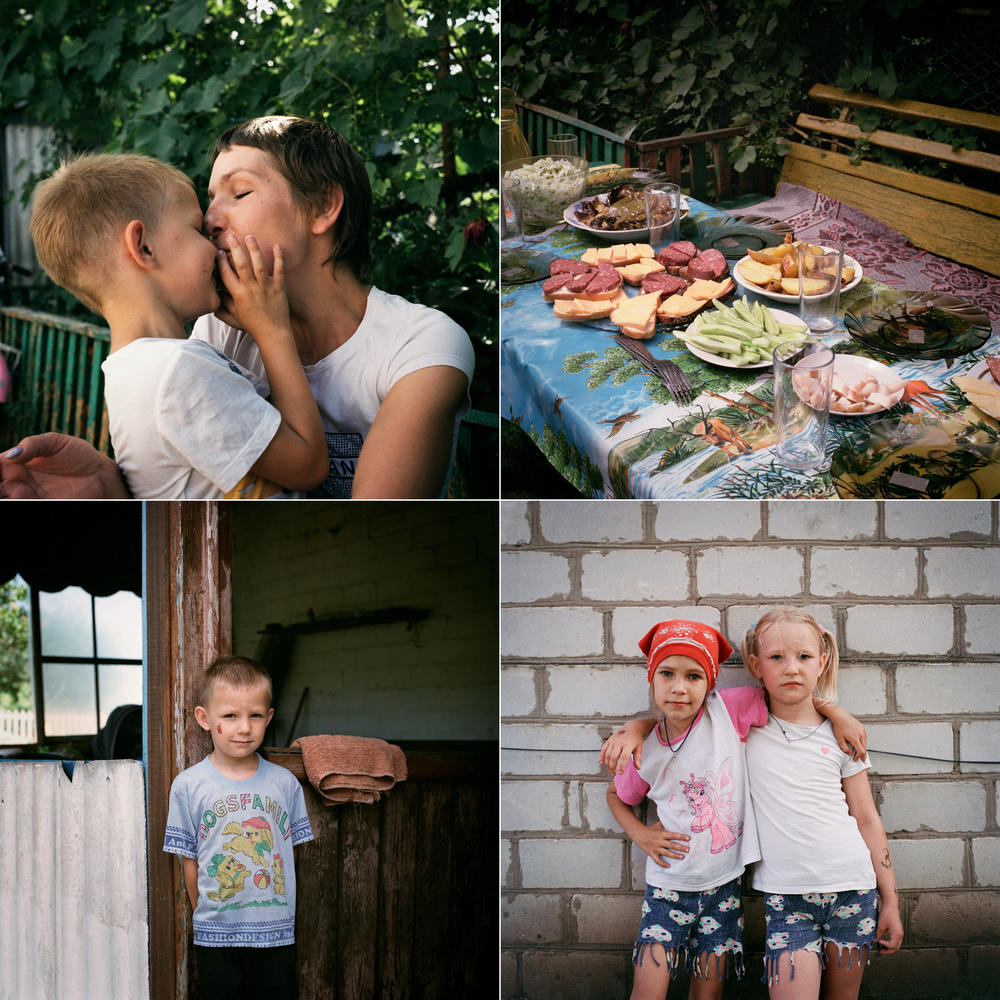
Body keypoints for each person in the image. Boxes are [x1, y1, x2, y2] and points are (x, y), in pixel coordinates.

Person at [0, 115, 476, 499]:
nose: (209, 221)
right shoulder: (218, 332)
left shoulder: (422, 346)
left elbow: (375, 538)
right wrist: (113, 490)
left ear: (322, 209)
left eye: (240, 192)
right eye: (208, 203)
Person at [27, 152, 328, 498]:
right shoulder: (176, 370)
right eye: (197, 229)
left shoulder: (133, 373)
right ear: (143, 247)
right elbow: (309, 467)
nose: (213, 241)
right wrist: (272, 330)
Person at [604, 620, 867, 1000]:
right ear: (652, 679)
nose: (680, 687)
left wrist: (837, 713)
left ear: (710, 684)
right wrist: (639, 832)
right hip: (668, 887)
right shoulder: (645, 752)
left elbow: (792, 692)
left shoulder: (728, 711)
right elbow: (617, 795)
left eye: (694, 676)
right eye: (667, 674)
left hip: (725, 886)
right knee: (647, 990)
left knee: (708, 992)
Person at [740, 608, 902, 997]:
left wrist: (891, 901)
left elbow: (866, 817)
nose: (791, 668)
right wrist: (637, 727)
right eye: (777, 657)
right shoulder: (743, 727)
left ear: (822, 662)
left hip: (853, 889)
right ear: (756, 665)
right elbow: (686, 712)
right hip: (786, 897)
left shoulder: (843, 736)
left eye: (804, 657)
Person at [163, 655, 313, 999]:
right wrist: (208, 912)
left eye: (255, 715)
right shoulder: (188, 786)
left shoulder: (285, 784)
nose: (244, 727)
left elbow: (289, 854)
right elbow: (189, 859)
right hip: (216, 932)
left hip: (275, 932)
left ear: (268, 717)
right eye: (230, 716)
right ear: (205, 718)